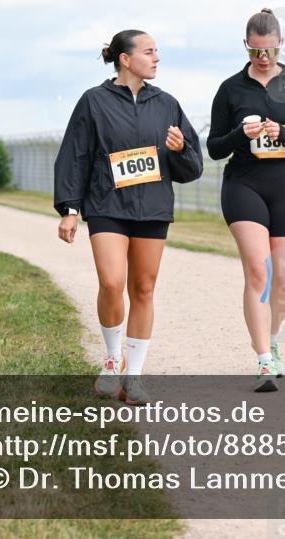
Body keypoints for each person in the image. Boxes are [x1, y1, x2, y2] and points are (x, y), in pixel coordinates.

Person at [54, 30, 203, 405]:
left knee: (143, 289)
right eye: (149, 52)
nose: (157, 58)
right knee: (111, 282)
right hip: (106, 204)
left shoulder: (167, 104)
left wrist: (180, 149)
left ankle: (133, 377)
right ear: (125, 58)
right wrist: (69, 209)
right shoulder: (94, 101)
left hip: (152, 208)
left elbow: (192, 167)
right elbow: (75, 155)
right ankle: (111, 359)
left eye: (157, 52)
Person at [206, 8, 285, 392]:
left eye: (269, 50)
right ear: (245, 46)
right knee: (260, 272)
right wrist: (240, 134)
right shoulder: (231, 89)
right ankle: (262, 360)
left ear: (280, 44)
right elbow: (215, 148)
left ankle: (271, 340)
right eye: (255, 51)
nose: (263, 58)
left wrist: (284, 134)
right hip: (244, 185)